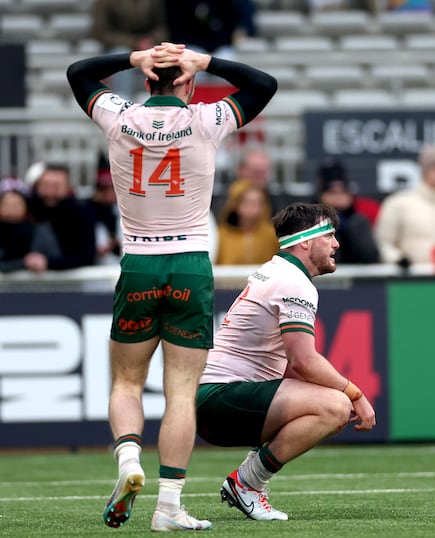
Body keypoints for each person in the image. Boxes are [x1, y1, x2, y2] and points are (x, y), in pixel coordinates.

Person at [67, 42, 278, 531]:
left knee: (125, 382)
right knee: (181, 394)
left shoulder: (118, 117)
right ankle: (168, 506)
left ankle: (127, 463)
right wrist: (204, 62)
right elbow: (263, 85)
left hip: (139, 261)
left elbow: (79, 72)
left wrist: (133, 56)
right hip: (188, 263)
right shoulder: (207, 120)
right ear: (188, 83)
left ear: (147, 82)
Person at [196, 202, 376, 522]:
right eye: (330, 235)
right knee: (335, 406)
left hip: (216, 396)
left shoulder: (279, 271)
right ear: (306, 241)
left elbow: (292, 368)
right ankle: (248, 483)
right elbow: (304, 361)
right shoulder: (294, 281)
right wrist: (357, 395)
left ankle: (246, 481)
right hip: (219, 398)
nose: (336, 244)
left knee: (325, 398)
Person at [374, 144, 435, 267]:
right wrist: (399, 260)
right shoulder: (398, 204)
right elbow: (383, 244)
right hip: (410, 282)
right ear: (425, 170)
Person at [90, 0, 168, 98]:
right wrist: (134, 43)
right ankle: (123, 99)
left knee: (161, 56)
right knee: (121, 55)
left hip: (148, 45)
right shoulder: (105, 2)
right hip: (117, 46)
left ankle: (159, 100)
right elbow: (100, 32)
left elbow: (161, 26)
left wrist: (150, 40)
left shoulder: (154, 2)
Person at [27, 164, 98, 270]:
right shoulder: (26, 208)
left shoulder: (81, 212)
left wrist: (48, 263)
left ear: (67, 187)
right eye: (46, 185)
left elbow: (86, 256)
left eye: (56, 186)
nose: (50, 192)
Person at [316, 156, 380, 264]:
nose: (338, 197)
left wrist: (348, 229)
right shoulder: (311, 223)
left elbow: (370, 256)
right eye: (332, 193)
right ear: (321, 196)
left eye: (342, 192)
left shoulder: (360, 222)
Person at [216, 182, 279, 265]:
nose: (255, 208)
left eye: (259, 203)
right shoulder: (220, 235)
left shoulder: (272, 235)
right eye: (249, 203)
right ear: (236, 205)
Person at [0, 187, 60, 273]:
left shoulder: (39, 231)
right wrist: (23, 263)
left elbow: (54, 257)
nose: (12, 208)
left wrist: (42, 261)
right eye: (7, 204)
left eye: (16, 204)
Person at [89, 167, 122, 265]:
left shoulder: (125, 211)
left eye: (112, 188)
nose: (108, 193)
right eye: (104, 189)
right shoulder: (89, 212)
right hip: (97, 268)